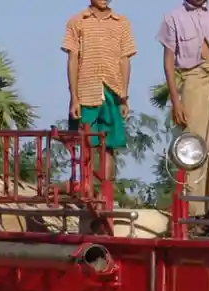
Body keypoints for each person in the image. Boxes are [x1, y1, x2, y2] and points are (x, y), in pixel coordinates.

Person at [158, 0, 209, 216]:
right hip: (193, 80)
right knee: (194, 144)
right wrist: (175, 101)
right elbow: (168, 64)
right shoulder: (173, 18)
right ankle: (197, 210)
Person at [62, 0, 135, 183]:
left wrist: (124, 97)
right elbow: (72, 60)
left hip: (113, 91)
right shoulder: (77, 21)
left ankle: (105, 194)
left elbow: (125, 60)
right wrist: (74, 98)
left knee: (109, 146)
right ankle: (87, 191)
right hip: (86, 91)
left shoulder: (122, 22)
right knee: (87, 143)